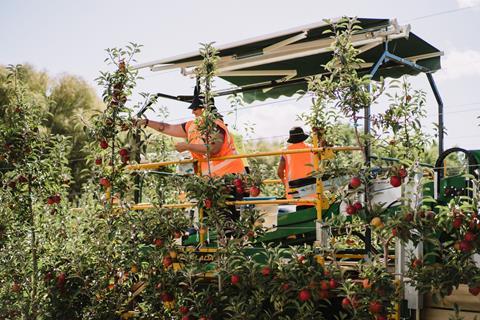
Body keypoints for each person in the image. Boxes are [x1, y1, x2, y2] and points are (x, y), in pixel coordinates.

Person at [137, 94, 245, 177]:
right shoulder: (192, 126)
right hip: (213, 177)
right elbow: (167, 127)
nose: (193, 112)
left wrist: (187, 146)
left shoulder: (215, 124)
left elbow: (214, 148)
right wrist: (146, 122)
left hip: (231, 175)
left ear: (206, 108)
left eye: (196, 108)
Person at [277, 127, 315, 200]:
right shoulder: (312, 148)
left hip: (294, 189)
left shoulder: (286, 151)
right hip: (312, 188)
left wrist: (285, 184)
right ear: (303, 137)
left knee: (297, 207)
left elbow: (279, 172)